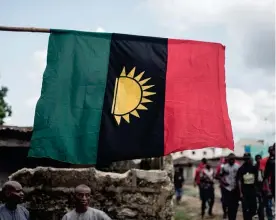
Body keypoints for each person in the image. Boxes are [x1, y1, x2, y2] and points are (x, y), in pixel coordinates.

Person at [237, 153, 258, 220]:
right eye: (245, 159)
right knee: (245, 209)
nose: (246, 160)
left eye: (247, 158)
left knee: (253, 209)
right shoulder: (241, 169)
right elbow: (239, 181)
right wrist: (240, 193)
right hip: (245, 192)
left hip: (253, 191)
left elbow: (257, 179)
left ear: (250, 159)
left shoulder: (254, 168)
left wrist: (257, 190)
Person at [220, 153, 240, 220]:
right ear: (228, 159)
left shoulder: (238, 166)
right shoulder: (224, 167)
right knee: (228, 204)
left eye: (233, 159)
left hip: (235, 188)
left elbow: (240, 178)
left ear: (235, 159)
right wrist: (223, 182)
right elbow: (220, 176)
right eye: (230, 159)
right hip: (227, 189)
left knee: (235, 205)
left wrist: (238, 187)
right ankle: (229, 216)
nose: (231, 160)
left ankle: (233, 217)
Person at [254, 154, 265, 220]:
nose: (259, 160)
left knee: (262, 203)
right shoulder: (254, 167)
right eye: (257, 159)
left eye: (260, 158)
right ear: (256, 160)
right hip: (257, 187)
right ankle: (260, 215)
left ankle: (261, 215)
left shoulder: (264, 167)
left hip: (263, 187)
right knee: (259, 202)